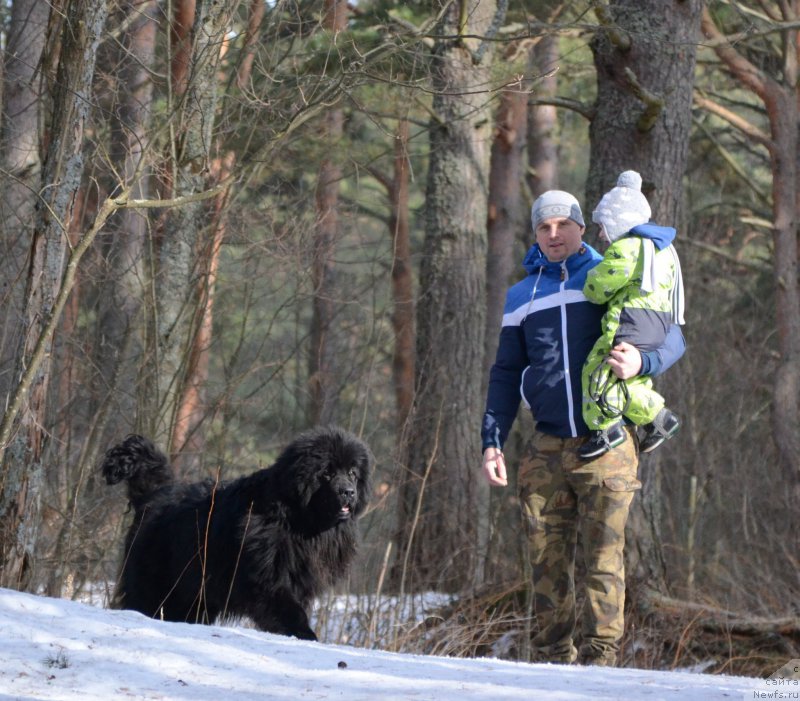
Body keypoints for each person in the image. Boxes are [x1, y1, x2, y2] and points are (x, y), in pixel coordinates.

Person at [481, 188, 685, 667]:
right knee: (545, 561)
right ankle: (552, 661)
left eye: (563, 225)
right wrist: (492, 441)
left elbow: (673, 336)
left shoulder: (608, 271)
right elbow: (506, 373)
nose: (554, 235)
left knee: (603, 560)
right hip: (545, 446)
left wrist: (643, 362)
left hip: (608, 443)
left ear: (581, 228)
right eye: (544, 227)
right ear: (535, 233)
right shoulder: (520, 295)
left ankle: (601, 665)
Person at [578, 171, 684, 459]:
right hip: (658, 323)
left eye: (603, 227)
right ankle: (659, 421)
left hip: (631, 321)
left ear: (618, 221)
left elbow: (597, 288)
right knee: (624, 378)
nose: (601, 235)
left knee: (597, 370)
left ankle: (606, 429)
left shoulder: (627, 248)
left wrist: (588, 281)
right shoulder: (662, 249)